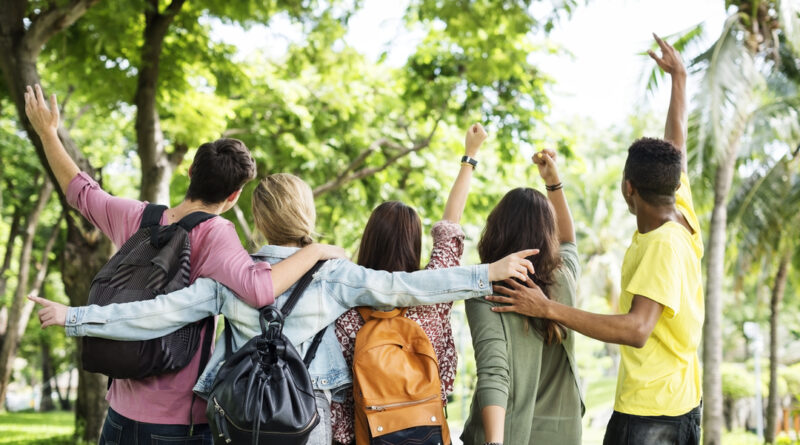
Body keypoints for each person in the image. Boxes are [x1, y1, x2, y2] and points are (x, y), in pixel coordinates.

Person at [30, 146, 537, 445]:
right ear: (306, 216)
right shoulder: (335, 275)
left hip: (238, 420)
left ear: (255, 219)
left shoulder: (231, 274)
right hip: (306, 423)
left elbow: (156, 314)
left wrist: (75, 317)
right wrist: (486, 273)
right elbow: (410, 286)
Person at [23, 84, 342, 443]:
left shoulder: (136, 217)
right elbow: (260, 288)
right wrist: (316, 251)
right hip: (176, 423)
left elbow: (81, 192)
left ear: (189, 172)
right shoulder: (217, 233)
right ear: (234, 195)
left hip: (118, 414)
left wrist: (48, 133)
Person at [487, 35, 703, 444]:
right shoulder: (679, 207)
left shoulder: (661, 245)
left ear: (628, 189)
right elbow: (676, 145)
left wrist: (547, 307)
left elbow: (637, 328)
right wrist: (679, 80)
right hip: (681, 403)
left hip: (651, 415)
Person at [331, 123, 488, 445]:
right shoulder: (434, 295)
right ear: (413, 243)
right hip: (425, 431)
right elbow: (450, 226)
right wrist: (469, 157)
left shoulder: (343, 305)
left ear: (369, 239)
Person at [460, 148, 584, 445]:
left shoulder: (486, 289)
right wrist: (553, 183)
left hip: (506, 434)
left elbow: (494, 374)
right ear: (547, 233)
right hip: (563, 433)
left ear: (497, 229)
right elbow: (568, 241)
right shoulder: (563, 277)